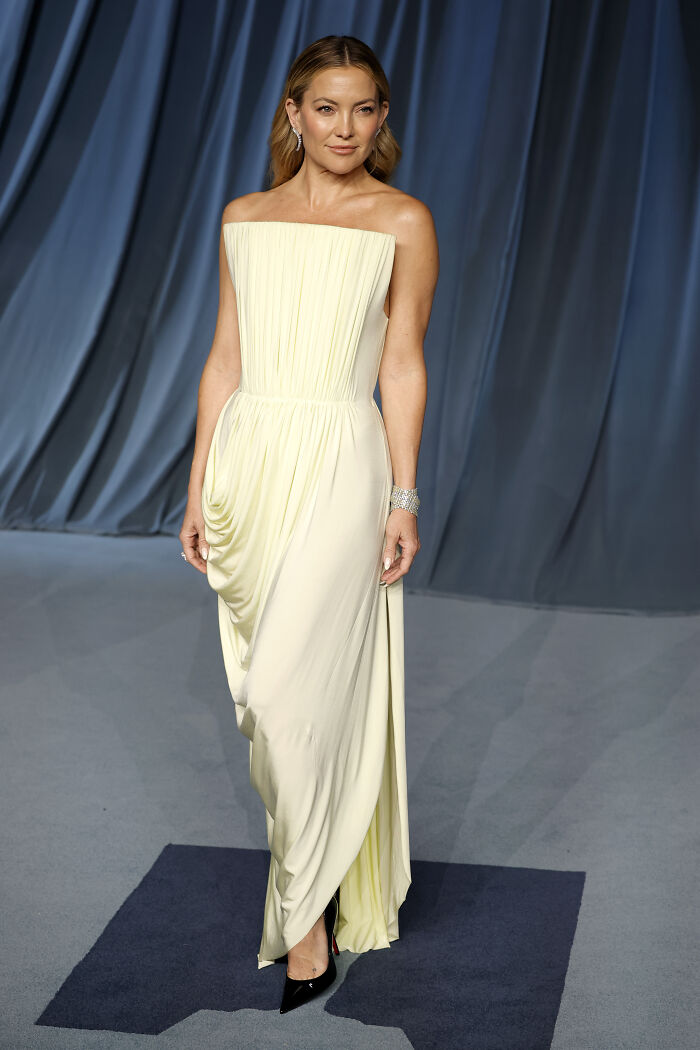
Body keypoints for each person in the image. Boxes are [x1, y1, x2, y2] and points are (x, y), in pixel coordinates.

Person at [179, 34, 438, 1015]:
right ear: (293, 112)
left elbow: (402, 363)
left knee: (289, 694)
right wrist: (200, 481)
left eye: (363, 109)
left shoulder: (402, 220)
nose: (343, 128)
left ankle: (304, 933)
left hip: (342, 460)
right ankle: (309, 900)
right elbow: (222, 359)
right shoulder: (243, 216)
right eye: (324, 108)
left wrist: (403, 496)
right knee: (263, 698)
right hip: (253, 460)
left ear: (382, 119)